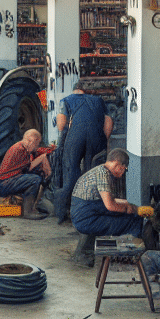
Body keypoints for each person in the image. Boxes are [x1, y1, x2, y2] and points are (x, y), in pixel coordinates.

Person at [69, 148, 156, 246]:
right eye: (123, 169)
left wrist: (129, 204)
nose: (122, 173)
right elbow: (110, 206)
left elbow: (110, 200)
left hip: (87, 213)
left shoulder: (100, 170)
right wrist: (128, 209)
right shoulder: (103, 175)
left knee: (130, 216)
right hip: (86, 220)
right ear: (117, 165)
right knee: (132, 222)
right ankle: (146, 252)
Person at [52, 85, 113, 223]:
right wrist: (103, 141)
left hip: (75, 137)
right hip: (96, 136)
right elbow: (108, 123)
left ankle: (63, 213)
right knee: (94, 174)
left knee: (71, 171)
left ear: (74, 90)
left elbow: (61, 125)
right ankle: (92, 213)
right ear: (85, 91)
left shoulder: (66, 100)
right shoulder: (98, 100)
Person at [0, 129, 51, 219]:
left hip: (0, 180)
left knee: (30, 178)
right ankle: (28, 212)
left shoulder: (22, 146)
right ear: (31, 141)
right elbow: (30, 167)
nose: (37, 146)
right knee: (35, 179)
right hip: (2, 184)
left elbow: (37, 151)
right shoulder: (19, 150)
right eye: (37, 143)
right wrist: (43, 159)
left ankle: (16, 209)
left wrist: (49, 150)